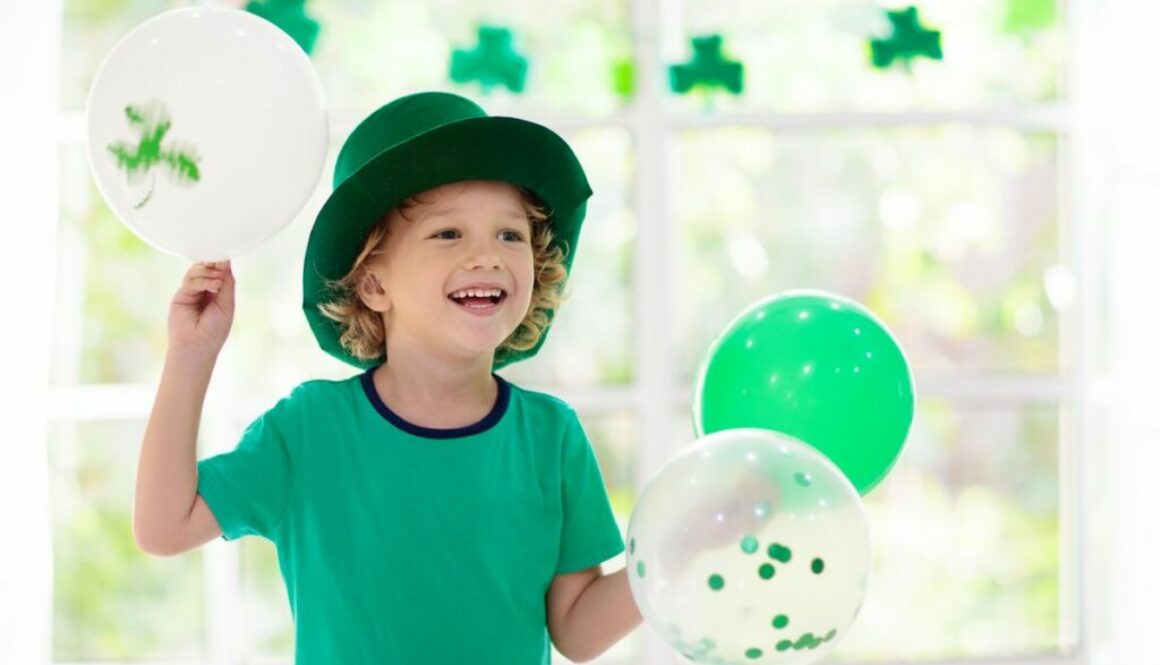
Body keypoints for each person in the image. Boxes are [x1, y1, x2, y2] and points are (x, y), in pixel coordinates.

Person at [134, 91, 643, 663]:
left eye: (510, 234)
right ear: (373, 285)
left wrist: (672, 558)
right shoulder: (309, 431)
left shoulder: (551, 437)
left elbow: (577, 632)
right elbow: (163, 525)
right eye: (448, 234)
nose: (488, 256)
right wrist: (192, 353)